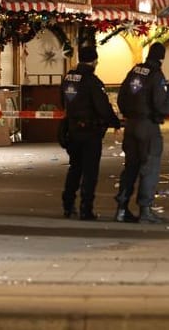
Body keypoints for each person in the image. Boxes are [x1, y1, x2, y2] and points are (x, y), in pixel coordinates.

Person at [115, 42, 169, 224]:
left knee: (130, 168)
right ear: (162, 58)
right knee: (149, 168)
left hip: (131, 125)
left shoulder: (134, 71)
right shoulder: (156, 76)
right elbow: (162, 106)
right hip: (148, 127)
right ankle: (145, 210)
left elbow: (121, 98)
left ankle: (121, 208)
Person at [60, 45, 121, 220]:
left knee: (75, 168)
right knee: (90, 171)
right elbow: (102, 107)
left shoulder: (68, 78)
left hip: (72, 130)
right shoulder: (92, 81)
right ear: (94, 61)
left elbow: (62, 101)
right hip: (90, 132)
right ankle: (86, 208)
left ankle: (68, 205)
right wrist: (115, 123)